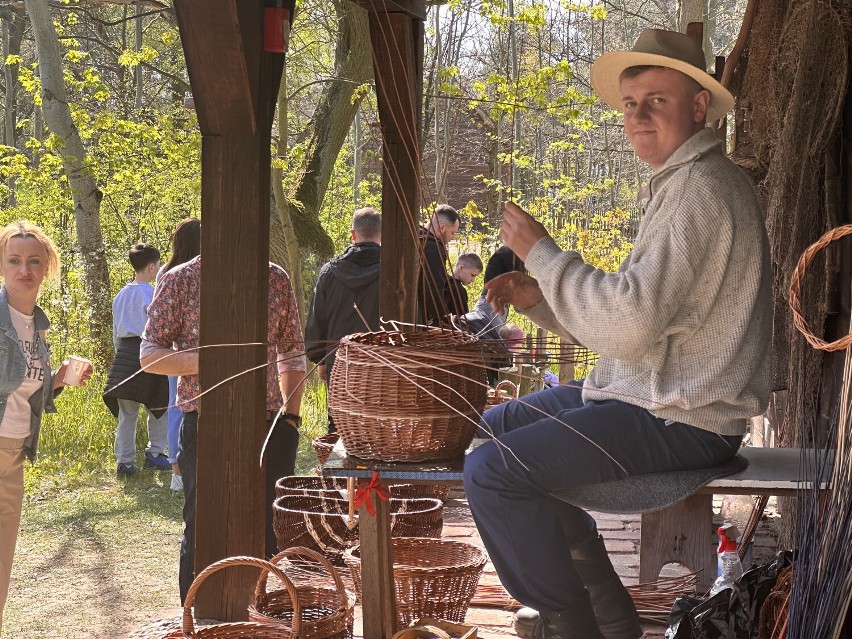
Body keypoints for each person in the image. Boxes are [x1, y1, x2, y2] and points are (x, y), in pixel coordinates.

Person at [463, 28, 772, 639]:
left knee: (493, 472)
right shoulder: (679, 183)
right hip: (643, 394)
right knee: (489, 429)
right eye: (631, 104)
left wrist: (543, 255)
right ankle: (610, 618)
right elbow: (634, 327)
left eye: (656, 100)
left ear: (698, 105)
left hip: (685, 416)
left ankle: (568, 621)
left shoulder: (701, 191)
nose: (638, 116)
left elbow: (628, 326)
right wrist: (542, 298)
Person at [140, 254, 305, 603]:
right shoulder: (181, 279)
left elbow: (292, 352)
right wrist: (214, 360)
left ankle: (261, 617)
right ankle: (196, 619)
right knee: (203, 529)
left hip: (269, 425)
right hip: (203, 423)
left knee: (268, 531)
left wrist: (291, 417)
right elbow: (150, 355)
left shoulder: (275, 278)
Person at [0, 221, 93, 632]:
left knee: (2, 560)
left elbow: (23, 391)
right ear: (2, 265)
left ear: (47, 268)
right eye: (15, 260)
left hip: (15, 453)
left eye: (34, 261)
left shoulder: (38, 327)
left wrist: (56, 379)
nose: (25, 269)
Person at [304, 207, 381, 434]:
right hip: (382, 370)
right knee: (380, 434)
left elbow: (318, 320)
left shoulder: (329, 273)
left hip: (340, 369)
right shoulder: (393, 272)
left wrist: (321, 359)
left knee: (340, 431)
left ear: (353, 234)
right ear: (381, 235)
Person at [103, 243, 170, 477]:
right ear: (152, 266)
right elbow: (159, 330)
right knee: (160, 405)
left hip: (124, 354)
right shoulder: (152, 293)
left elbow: (115, 332)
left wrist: (120, 354)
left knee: (127, 413)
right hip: (149, 353)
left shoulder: (120, 295)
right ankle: (155, 453)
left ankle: (125, 462)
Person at [157, 218, 201, 492]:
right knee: (180, 408)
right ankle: (177, 468)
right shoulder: (173, 272)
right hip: (178, 354)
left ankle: (177, 468)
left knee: (178, 408)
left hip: (173, 352)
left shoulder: (166, 269)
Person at [418, 204, 461, 325]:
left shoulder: (411, 236)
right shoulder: (434, 248)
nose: (452, 238)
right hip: (419, 318)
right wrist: (444, 318)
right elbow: (433, 288)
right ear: (442, 228)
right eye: (453, 233)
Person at [445, 252, 483, 317]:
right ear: (461, 268)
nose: (473, 280)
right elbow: (462, 319)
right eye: (472, 275)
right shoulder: (459, 290)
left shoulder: (442, 281)